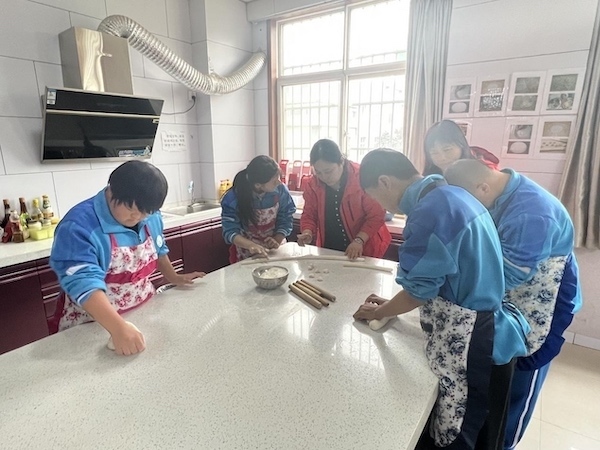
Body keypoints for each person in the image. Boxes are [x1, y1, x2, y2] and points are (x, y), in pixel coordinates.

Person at [353, 148, 530, 450]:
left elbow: (417, 291)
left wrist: (379, 312)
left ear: (384, 182)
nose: (380, 205)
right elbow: (442, 276)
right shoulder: (450, 193)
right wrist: (391, 304)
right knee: (481, 428)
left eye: (375, 197)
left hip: (474, 337)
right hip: (489, 324)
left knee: (457, 430)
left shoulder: (428, 212)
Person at [444, 160, 582, 450]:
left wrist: (456, 290)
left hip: (544, 301)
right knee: (501, 372)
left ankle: (505, 443)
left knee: (522, 375)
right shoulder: (500, 191)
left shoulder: (531, 213)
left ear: (482, 187)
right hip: (513, 295)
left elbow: (506, 276)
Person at [49, 161, 205, 356]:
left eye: (146, 212)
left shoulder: (150, 216)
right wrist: (118, 328)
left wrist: (174, 277)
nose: (138, 217)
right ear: (112, 192)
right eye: (132, 210)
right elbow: (84, 283)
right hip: (93, 323)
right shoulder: (78, 226)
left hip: (144, 310)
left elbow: (159, 249)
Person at [296, 139, 391, 259]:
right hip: (329, 246)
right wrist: (307, 232)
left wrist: (359, 240)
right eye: (318, 172)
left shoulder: (361, 178)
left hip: (366, 246)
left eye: (328, 171)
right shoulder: (313, 184)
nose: (324, 177)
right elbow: (309, 214)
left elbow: (376, 216)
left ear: (341, 161)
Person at [221, 155, 296, 263]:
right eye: (274, 181)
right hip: (247, 253)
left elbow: (286, 217)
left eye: (279, 177)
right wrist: (251, 245)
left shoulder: (281, 191)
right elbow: (230, 231)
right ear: (258, 185)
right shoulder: (233, 198)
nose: (279, 182)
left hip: (275, 250)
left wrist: (277, 239)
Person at [423, 120, 500, 175]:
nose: (442, 158)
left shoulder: (483, 173)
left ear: (461, 145)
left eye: (447, 150)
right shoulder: (429, 180)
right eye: (434, 153)